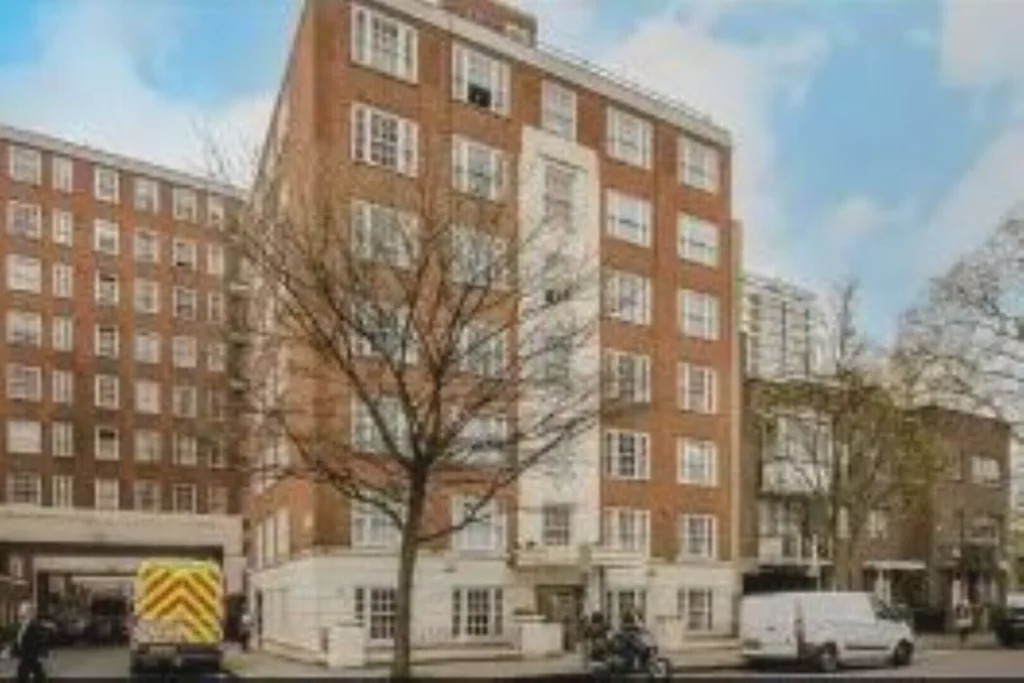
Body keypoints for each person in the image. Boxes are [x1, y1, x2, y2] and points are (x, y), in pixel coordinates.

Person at [11, 602, 48, 683]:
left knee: (36, 677)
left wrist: (34, 657)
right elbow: (19, 641)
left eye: (21, 610)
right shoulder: (21, 626)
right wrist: (13, 651)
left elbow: (37, 643)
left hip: (30, 660)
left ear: (27, 612)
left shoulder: (34, 626)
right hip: (24, 661)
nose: (19, 612)